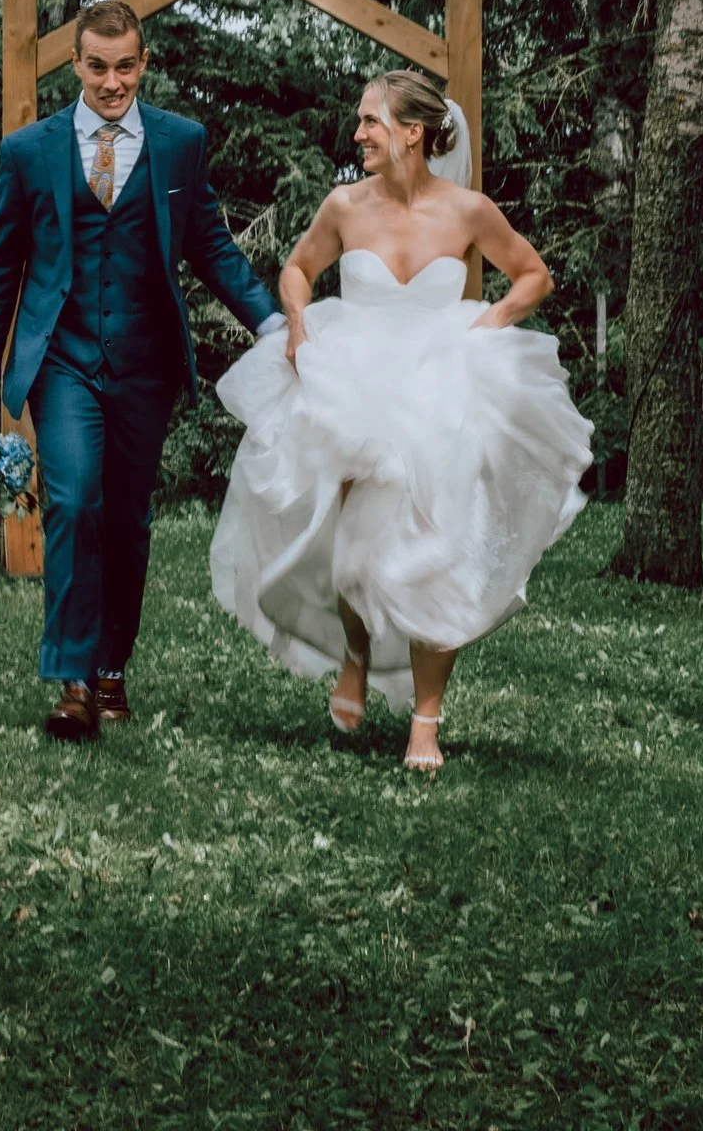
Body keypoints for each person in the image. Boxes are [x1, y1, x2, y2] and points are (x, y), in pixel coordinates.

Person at [210, 70, 593, 770]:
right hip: (357, 379)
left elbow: (533, 274)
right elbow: (297, 269)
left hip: (442, 383)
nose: (357, 134)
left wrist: (492, 320)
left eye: (369, 122)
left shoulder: (469, 210)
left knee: (438, 553)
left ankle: (426, 721)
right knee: (353, 550)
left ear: (411, 133)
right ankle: (355, 656)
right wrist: (296, 324)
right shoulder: (345, 206)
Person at [0, 0, 283, 741]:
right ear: (75, 63)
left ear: (143, 62)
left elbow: (211, 245)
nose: (111, 82)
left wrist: (268, 322)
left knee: (129, 520)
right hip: (63, 359)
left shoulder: (179, 143)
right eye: (97, 67)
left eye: (125, 66)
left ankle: (111, 667)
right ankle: (70, 680)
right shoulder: (29, 151)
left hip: (145, 363)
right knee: (74, 502)